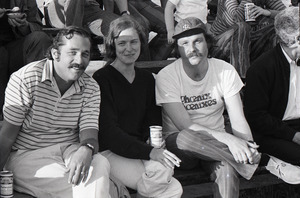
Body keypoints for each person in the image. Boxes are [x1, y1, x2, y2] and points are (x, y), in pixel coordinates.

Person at [155, 17, 300, 198]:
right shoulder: (167, 76)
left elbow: (238, 119)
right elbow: (186, 125)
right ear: (177, 47)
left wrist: (249, 146)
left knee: (228, 174)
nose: (191, 49)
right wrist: (231, 141)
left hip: (218, 149)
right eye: (184, 43)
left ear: (207, 42)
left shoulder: (225, 70)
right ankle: (266, 162)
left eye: (197, 41)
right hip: (181, 150)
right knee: (186, 137)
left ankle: (250, 159)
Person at [0, 26, 111, 198]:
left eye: (85, 54)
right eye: (72, 52)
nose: (79, 60)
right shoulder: (26, 78)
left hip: (69, 151)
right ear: (55, 53)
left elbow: (89, 133)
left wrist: (87, 148)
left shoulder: (91, 87)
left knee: (100, 162)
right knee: (89, 186)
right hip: (27, 155)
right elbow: (6, 136)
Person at [93, 15, 183, 198]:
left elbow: (153, 122)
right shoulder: (102, 79)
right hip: (112, 152)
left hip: (142, 150)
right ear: (112, 45)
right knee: (173, 189)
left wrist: (154, 148)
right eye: (122, 43)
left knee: (168, 182)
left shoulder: (147, 79)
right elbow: (109, 133)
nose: (129, 48)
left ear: (141, 44)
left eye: (134, 42)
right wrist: (151, 153)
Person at [244, 7, 300, 173]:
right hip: (274, 132)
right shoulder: (262, 68)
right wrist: (293, 135)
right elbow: (256, 116)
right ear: (297, 38)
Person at [0, 0, 52, 120]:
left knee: (40, 39)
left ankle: (38, 109)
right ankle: (5, 116)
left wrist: (24, 25)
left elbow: (37, 26)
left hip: (16, 48)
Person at [210, 0, 286, 78]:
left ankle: (276, 76)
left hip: (247, 44)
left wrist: (267, 12)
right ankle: (241, 79)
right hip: (221, 45)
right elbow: (235, 20)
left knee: (274, 27)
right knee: (242, 27)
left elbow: (287, 14)